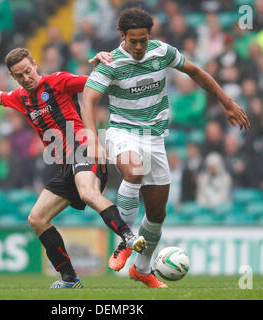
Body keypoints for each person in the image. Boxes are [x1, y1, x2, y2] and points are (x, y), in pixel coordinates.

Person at [0, 47, 146, 289]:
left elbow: (95, 83)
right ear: (13, 76)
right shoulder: (21, 98)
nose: (25, 78)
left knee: (88, 193)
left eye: (28, 71)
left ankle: (127, 237)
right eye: (19, 76)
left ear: (35, 65)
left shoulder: (58, 81)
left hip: (85, 150)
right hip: (64, 166)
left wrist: (100, 64)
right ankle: (69, 278)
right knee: (37, 219)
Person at [81, 8, 250, 288]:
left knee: (157, 214)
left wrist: (227, 102)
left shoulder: (162, 52)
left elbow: (195, 71)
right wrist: (92, 138)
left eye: (143, 40)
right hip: (123, 131)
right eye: (133, 40)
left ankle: (142, 269)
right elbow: (87, 101)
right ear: (122, 35)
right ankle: (124, 238)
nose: (138, 47)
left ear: (150, 35)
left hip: (155, 137)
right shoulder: (110, 63)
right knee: (133, 171)